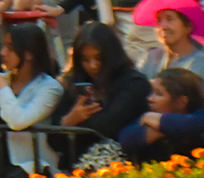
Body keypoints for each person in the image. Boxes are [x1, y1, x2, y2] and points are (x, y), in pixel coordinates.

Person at [0, 23, 64, 175]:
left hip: (31, 177)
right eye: (4, 46)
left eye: (10, 48)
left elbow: (17, 121)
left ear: (29, 53)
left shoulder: (50, 88)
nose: (2, 52)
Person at [51, 21, 150, 169]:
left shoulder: (135, 83)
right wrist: (68, 121)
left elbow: (110, 125)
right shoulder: (75, 83)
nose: (93, 66)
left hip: (122, 166)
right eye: (85, 60)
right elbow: (53, 139)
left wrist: (74, 124)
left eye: (99, 58)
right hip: (76, 168)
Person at [134, 0, 204, 97]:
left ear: (188, 27)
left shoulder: (203, 64)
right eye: (159, 20)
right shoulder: (149, 57)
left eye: (170, 19)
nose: (163, 26)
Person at [119, 67, 204, 164]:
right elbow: (126, 137)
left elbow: (194, 124)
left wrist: (161, 124)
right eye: (152, 92)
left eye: (158, 94)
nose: (150, 99)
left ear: (181, 102)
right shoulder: (149, 118)